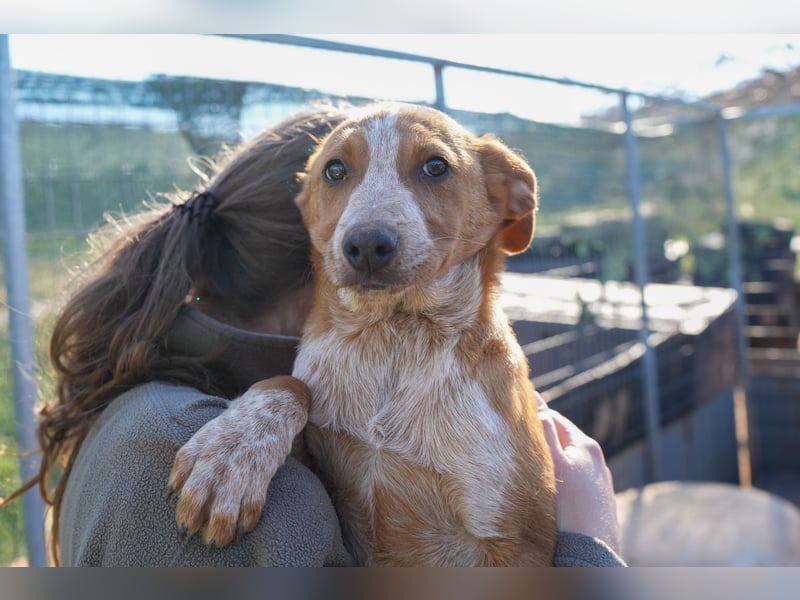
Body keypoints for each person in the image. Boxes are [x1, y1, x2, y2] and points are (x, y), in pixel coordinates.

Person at [8, 106, 624, 567]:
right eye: (339, 174)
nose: (370, 228)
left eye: (434, 167)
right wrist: (592, 547)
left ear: (504, 203)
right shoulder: (190, 445)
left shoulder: (158, 394)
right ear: (311, 223)